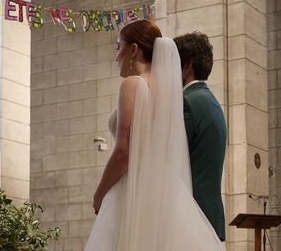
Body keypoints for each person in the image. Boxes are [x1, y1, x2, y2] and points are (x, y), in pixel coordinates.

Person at [85, 20, 225, 251]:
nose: (116, 55)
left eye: (118, 46)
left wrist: (99, 194)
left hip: (133, 189)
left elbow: (123, 152)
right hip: (165, 191)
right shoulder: (169, 93)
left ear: (133, 50)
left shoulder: (132, 84)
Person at [174, 32, 227, 242]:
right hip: (210, 216)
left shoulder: (187, 102)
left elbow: (169, 159)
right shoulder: (212, 103)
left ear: (186, 66)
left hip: (191, 217)